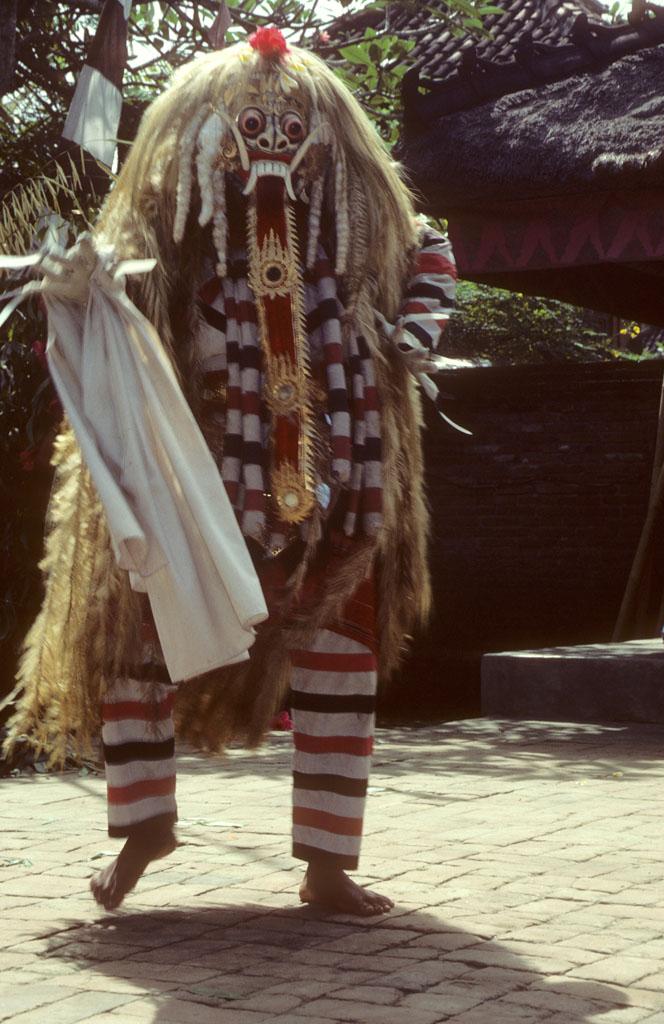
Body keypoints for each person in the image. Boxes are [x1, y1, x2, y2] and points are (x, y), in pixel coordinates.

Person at [5, 28, 458, 916]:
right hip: (200, 487)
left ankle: (328, 864)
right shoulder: (175, 247)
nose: (271, 142)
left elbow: (432, 254)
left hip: (344, 484)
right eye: (248, 125)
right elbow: (116, 303)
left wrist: (411, 336)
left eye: (291, 126)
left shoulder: (361, 238)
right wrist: (79, 284)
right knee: (139, 646)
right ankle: (145, 826)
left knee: (342, 657)